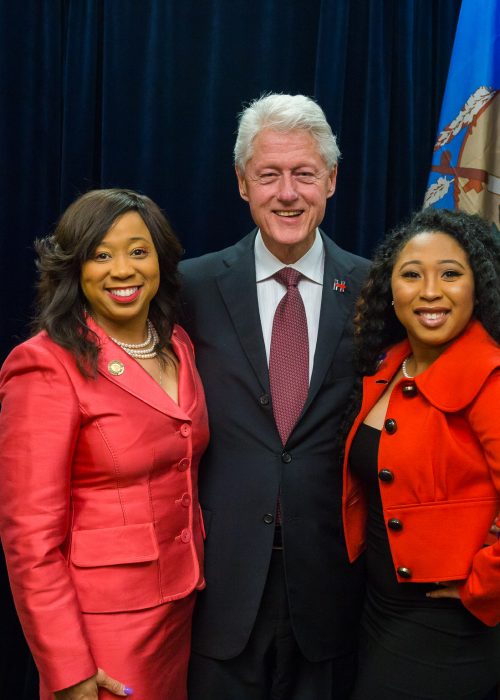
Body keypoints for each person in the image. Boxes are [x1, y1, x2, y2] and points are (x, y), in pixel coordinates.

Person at [179, 93, 370, 700]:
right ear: (242, 184)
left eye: (304, 174)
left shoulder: (378, 290)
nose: (288, 193)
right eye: (269, 175)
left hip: (334, 587)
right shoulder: (190, 287)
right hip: (220, 583)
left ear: (332, 181)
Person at [0, 189, 209, 700]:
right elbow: (29, 538)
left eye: (138, 251)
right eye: (101, 254)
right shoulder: (44, 364)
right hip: (102, 627)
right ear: (75, 267)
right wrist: (68, 669)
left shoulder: (176, 343)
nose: (123, 269)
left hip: (180, 608)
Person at [341, 207, 500, 699]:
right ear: (391, 292)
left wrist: (484, 587)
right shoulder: (388, 366)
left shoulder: (491, 378)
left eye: (450, 274)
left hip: (449, 622)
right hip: (378, 607)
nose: (430, 291)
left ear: (479, 287)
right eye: (411, 275)